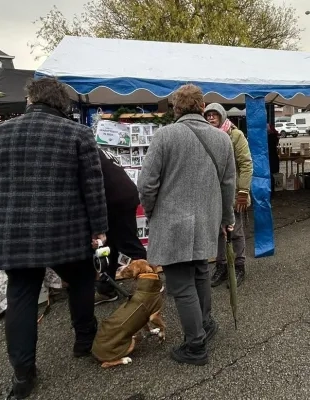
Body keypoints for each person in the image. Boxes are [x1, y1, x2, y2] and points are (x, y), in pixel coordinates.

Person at [0, 77, 108, 399]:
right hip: (67, 226)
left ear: (31, 99)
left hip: (12, 230)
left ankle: (23, 373)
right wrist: (99, 229)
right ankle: (84, 341)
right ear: (64, 105)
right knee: (82, 281)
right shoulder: (78, 134)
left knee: (21, 296)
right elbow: (93, 187)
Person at [138, 84, 236, 366]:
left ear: (176, 108)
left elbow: (146, 184)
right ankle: (205, 325)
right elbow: (228, 185)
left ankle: (196, 345)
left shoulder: (165, 136)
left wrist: (152, 210)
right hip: (206, 220)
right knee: (200, 274)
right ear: (203, 108)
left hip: (173, 223)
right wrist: (226, 220)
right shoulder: (222, 140)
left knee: (181, 285)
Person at [204, 103, 252, 287]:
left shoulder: (235, 135)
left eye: (214, 115)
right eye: (208, 115)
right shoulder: (207, 136)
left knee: (236, 231)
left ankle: (239, 267)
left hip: (233, 193)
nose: (211, 118)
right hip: (213, 194)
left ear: (222, 116)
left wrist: (243, 191)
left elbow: (246, 164)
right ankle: (221, 266)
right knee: (217, 232)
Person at [95, 148, 147, 305]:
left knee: (128, 243)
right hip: (120, 195)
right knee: (109, 246)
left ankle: (149, 283)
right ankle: (106, 289)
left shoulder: (85, 149)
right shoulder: (94, 148)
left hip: (117, 199)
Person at [268, 123, 280, 197]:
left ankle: (271, 192)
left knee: (270, 176)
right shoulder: (274, 136)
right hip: (273, 158)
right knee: (271, 175)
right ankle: (272, 191)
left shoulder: (269, 138)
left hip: (270, 158)